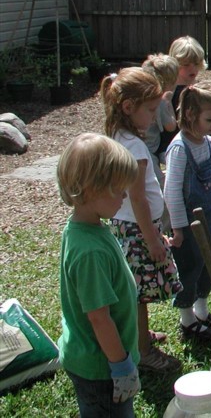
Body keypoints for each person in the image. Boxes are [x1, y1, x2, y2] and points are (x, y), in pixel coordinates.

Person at [100, 68, 183, 372]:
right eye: (150, 110)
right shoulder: (134, 148)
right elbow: (138, 199)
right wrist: (152, 239)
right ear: (128, 108)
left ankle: (140, 336)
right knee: (138, 295)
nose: (154, 116)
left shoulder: (118, 136)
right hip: (137, 228)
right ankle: (143, 352)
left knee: (133, 290)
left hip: (127, 225)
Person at [57, 133, 142, 417]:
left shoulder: (87, 227)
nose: (125, 195)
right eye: (119, 189)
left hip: (100, 360)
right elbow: (98, 317)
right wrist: (120, 367)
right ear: (93, 189)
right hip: (102, 369)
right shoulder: (89, 252)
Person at [163, 83, 211, 342]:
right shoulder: (179, 149)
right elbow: (172, 192)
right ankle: (187, 319)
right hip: (188, 225)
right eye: (209, 119)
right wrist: (178, 227)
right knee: (189, 268)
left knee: (207, 265)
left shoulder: (208, 143)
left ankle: (202, 310)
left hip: (210, 219)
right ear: (190, 115)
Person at [158, 35, 206, 155]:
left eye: (196, 63)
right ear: (175, 64)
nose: (192, 68)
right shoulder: (172, 92)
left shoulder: (197, 89)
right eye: (186, 64)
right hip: (173, 144)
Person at [141, 53, 179, 187]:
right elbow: (170, 126)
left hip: (147, 146)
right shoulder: (160, 100)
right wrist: (169, 104)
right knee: (159, 184)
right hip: (149, 150)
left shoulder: (144, 96)